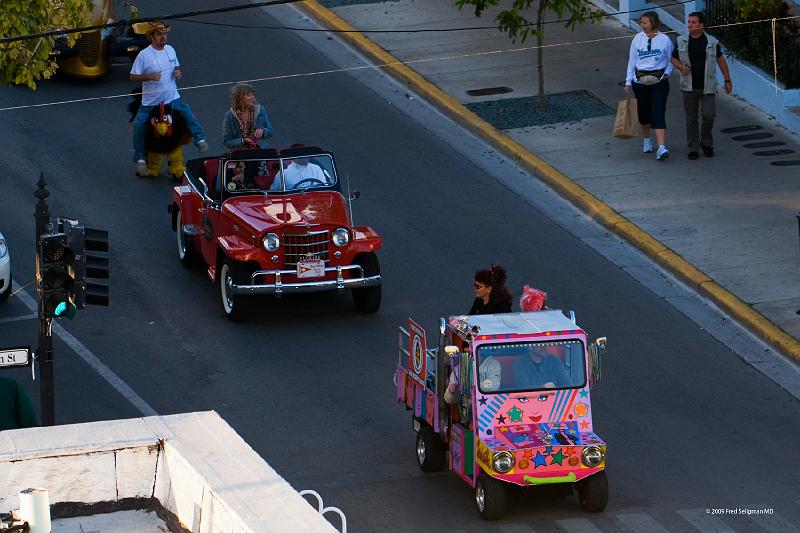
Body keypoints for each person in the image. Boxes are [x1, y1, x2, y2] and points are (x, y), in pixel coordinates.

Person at [130, 21, 208, 176]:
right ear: (151, 37)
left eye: (165, 34)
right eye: (159, 34)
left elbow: (176, 68)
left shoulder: (171, 50)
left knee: (187, 114)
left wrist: (177, 73)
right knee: (139, 125)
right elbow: (133, 76)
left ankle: (200, 139)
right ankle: (139, 157)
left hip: (171, 98)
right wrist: (149, 76)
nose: (163, 37)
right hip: (150, 102)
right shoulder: (144, 55)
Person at [670, 12, 733, 160]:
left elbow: (721, 61)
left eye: (693, 22)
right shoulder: (682, 41)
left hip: (708, 86)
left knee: (709, 115)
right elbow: (673, 58)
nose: (690, 25)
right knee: (691, 119)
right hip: (688, 86)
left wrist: (727, 80)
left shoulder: (711, 42)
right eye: (689, 22)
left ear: (701, 25)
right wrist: (681, 68)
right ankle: (693, 147)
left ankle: (706, 142)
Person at [624, 12, 674, 161]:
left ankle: (662, 147)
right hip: (639, 83)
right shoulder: (637, 39)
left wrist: (666, 73)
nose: (642, 25)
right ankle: (647, 140)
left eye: (645, 23)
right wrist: (628, 81)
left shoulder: (664, 40)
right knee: (644, 113)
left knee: (658, 112)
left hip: (659, 82)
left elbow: (671, 59)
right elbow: (632, 61)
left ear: (653, 23)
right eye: (641, 23)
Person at [222, 83, 273, 151]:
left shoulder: (260, 110)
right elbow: (226, 142)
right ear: (239, 97)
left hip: (260, 151)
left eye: (252, 94)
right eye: (249, 95)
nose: (252, 97)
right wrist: (243, 140)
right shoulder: (229, 115)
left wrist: (263, 131)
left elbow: (270, 132)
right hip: (240, 154)